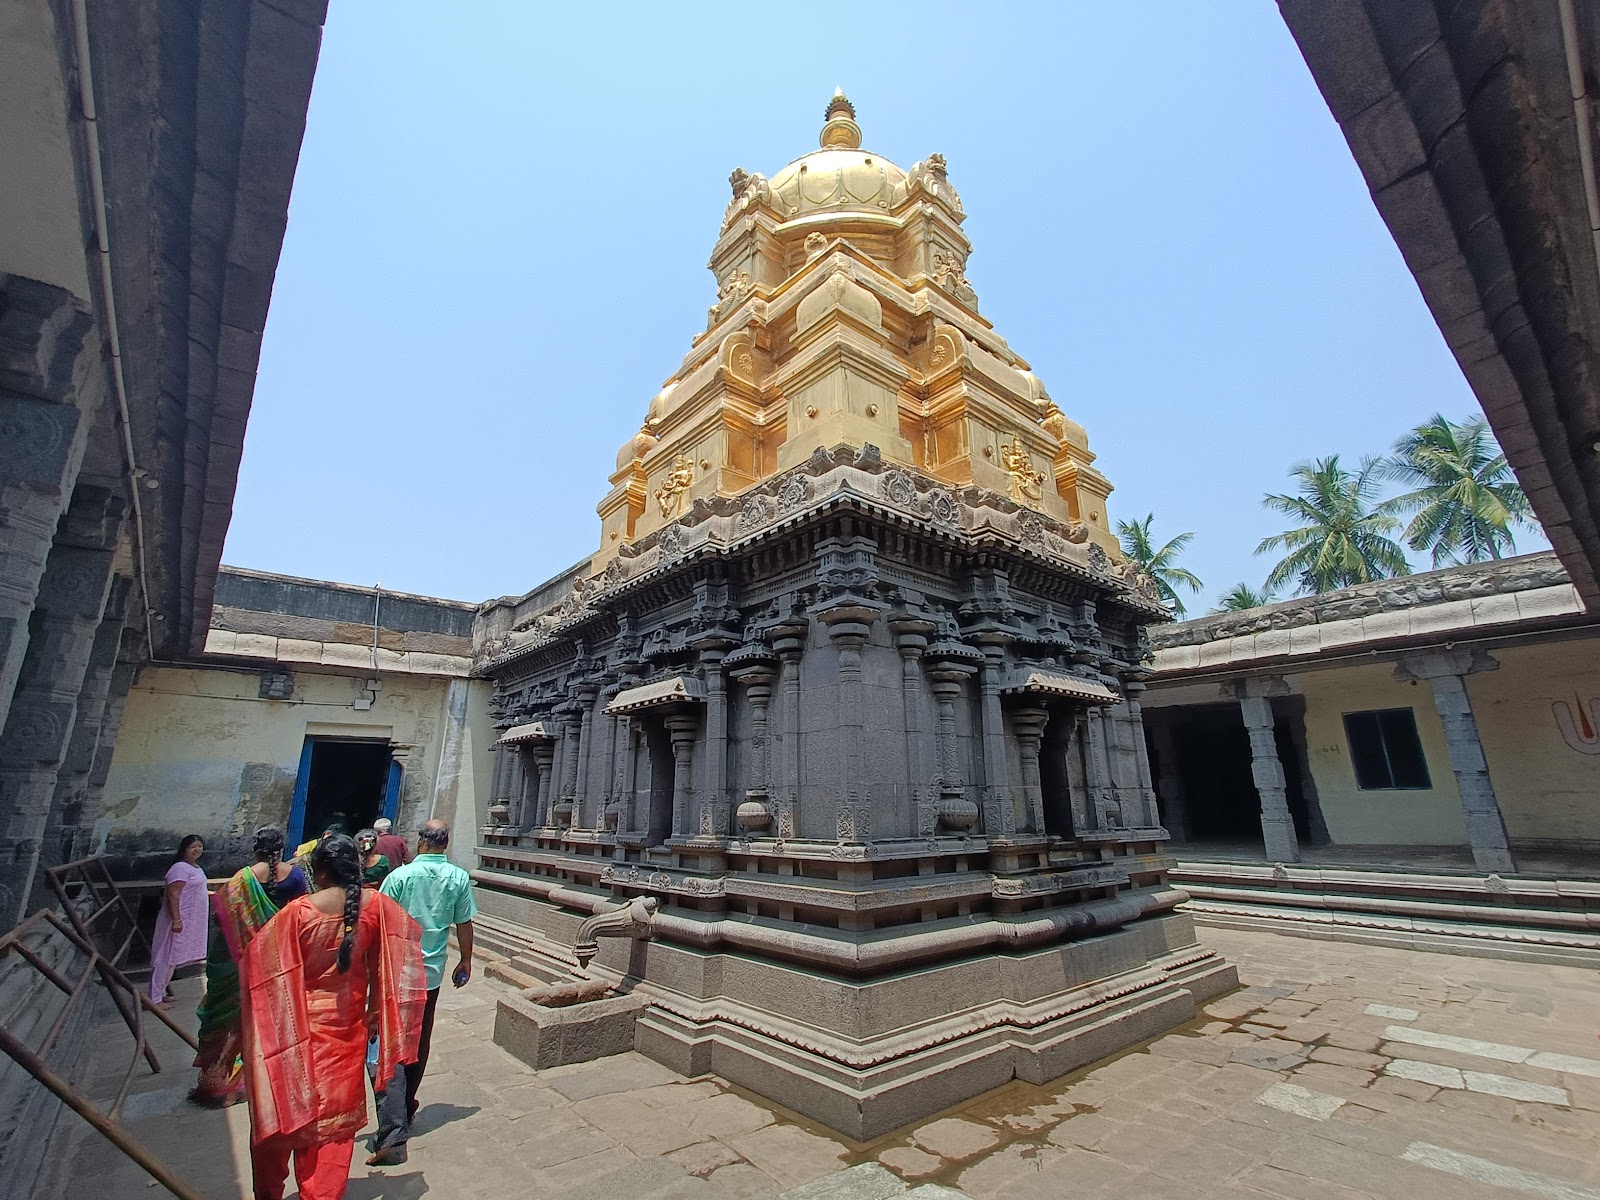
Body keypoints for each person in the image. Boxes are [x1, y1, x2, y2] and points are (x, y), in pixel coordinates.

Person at [241, 834, 425, 1200]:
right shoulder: (376, 906)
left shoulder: (298, 913)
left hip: (294, 1032)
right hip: (346, 1030)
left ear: (320, 873)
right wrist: (376, 1011)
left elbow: (259, 968)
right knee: (333, 1126)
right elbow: (392, 958)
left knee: (281, 1113)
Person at [368, 819, 475, 1166]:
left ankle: (394, 1122)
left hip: (396, 971)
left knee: (390, 1043)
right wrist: (466, 960)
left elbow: (377, 922)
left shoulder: (400, 877)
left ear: (421, 842)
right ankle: (406, 1104)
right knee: (419, 1039)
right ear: (445, 842)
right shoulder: (458, 878)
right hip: (430, 973)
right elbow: (464, 923)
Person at [190, 827, 307, 1107]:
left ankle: (219, 1081)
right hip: (274, 958)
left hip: (236, 964)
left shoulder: (241, 880)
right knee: (262, 1019)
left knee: (227, 1018)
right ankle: (255, 1079)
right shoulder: (295, 876)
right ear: (281, 848)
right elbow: (300, 914)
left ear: (255, 849)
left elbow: (221, 919)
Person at [149, 835, 208, 1005]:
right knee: (165, 957)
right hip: (177, 918)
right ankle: (154, 999)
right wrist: (176, 919)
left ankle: (161, 993)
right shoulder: (180, 868)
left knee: (172, 958)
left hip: (188, 918)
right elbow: (173, 894)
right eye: (193, 847)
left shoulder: (194, 867)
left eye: (199, 846)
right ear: (184, 850)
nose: (197, 849)